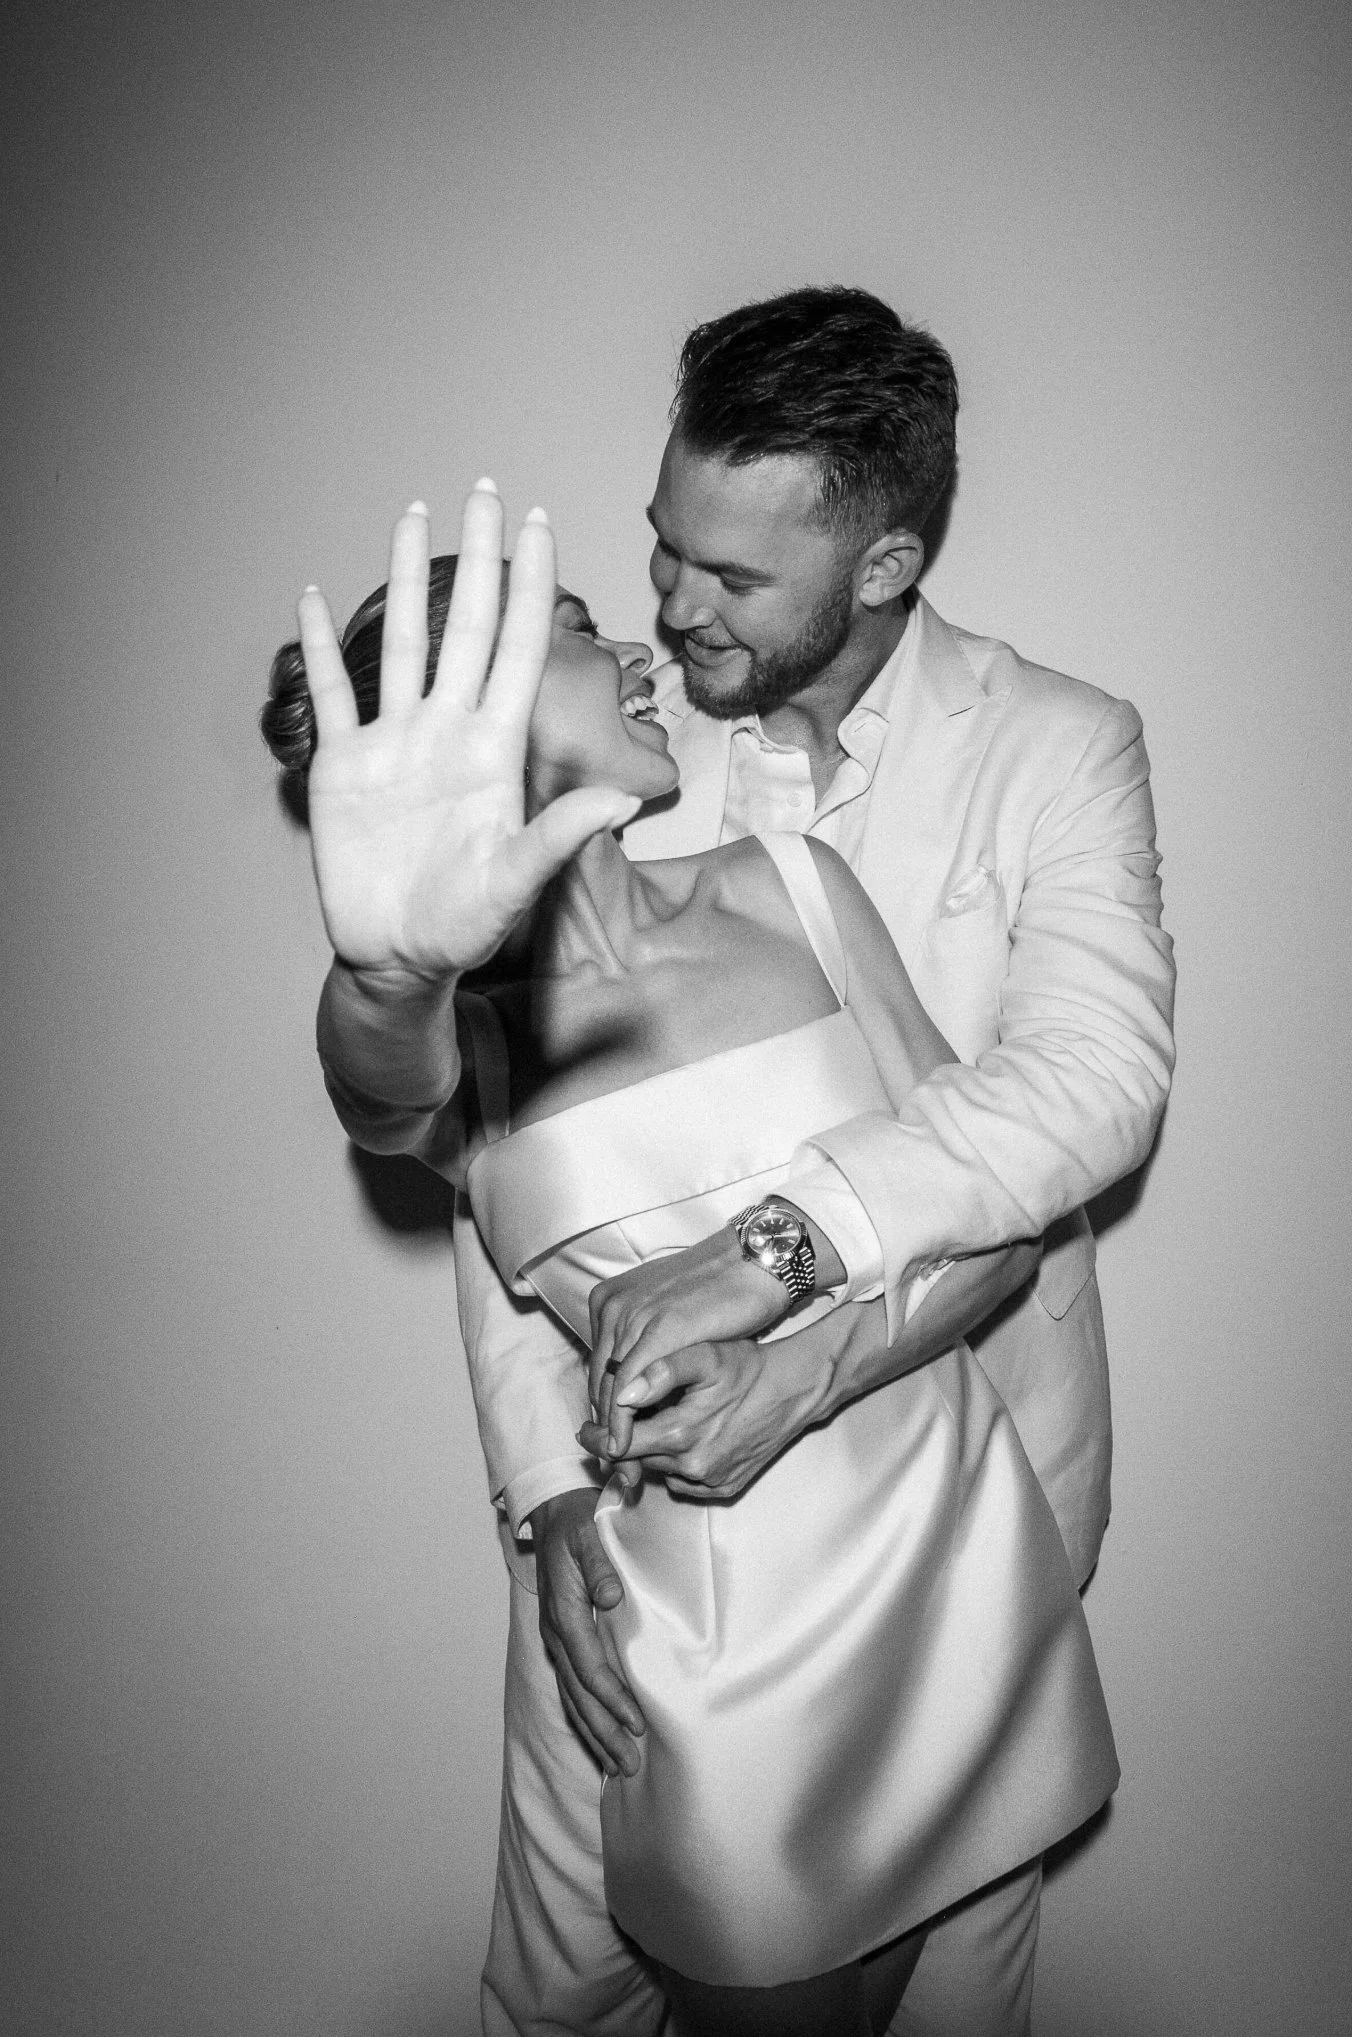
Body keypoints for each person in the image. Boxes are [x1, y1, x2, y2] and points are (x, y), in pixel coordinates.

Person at [263, 483, 1120, 2036]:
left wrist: (809, 1369)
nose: (643, 652)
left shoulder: (794, 886)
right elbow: (376, 1095)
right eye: (580, 635)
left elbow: (995, 1221)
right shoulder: (462, 1045)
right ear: (472, 727)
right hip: (719, 1637)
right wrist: (384, 978)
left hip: (945, 1557)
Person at [437, 289, 1176, 2036]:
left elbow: (1092, 1082)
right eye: (663, 547)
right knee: (557, 1996)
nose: (673, 607)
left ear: (885, 563)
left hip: (953, 1514)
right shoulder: (609, 738)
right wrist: (551, 1497)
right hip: (625, 1539)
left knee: (945, 2004)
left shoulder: (1058, 748)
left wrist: (785, 1276)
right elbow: (491, 1155)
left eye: (733, 576)